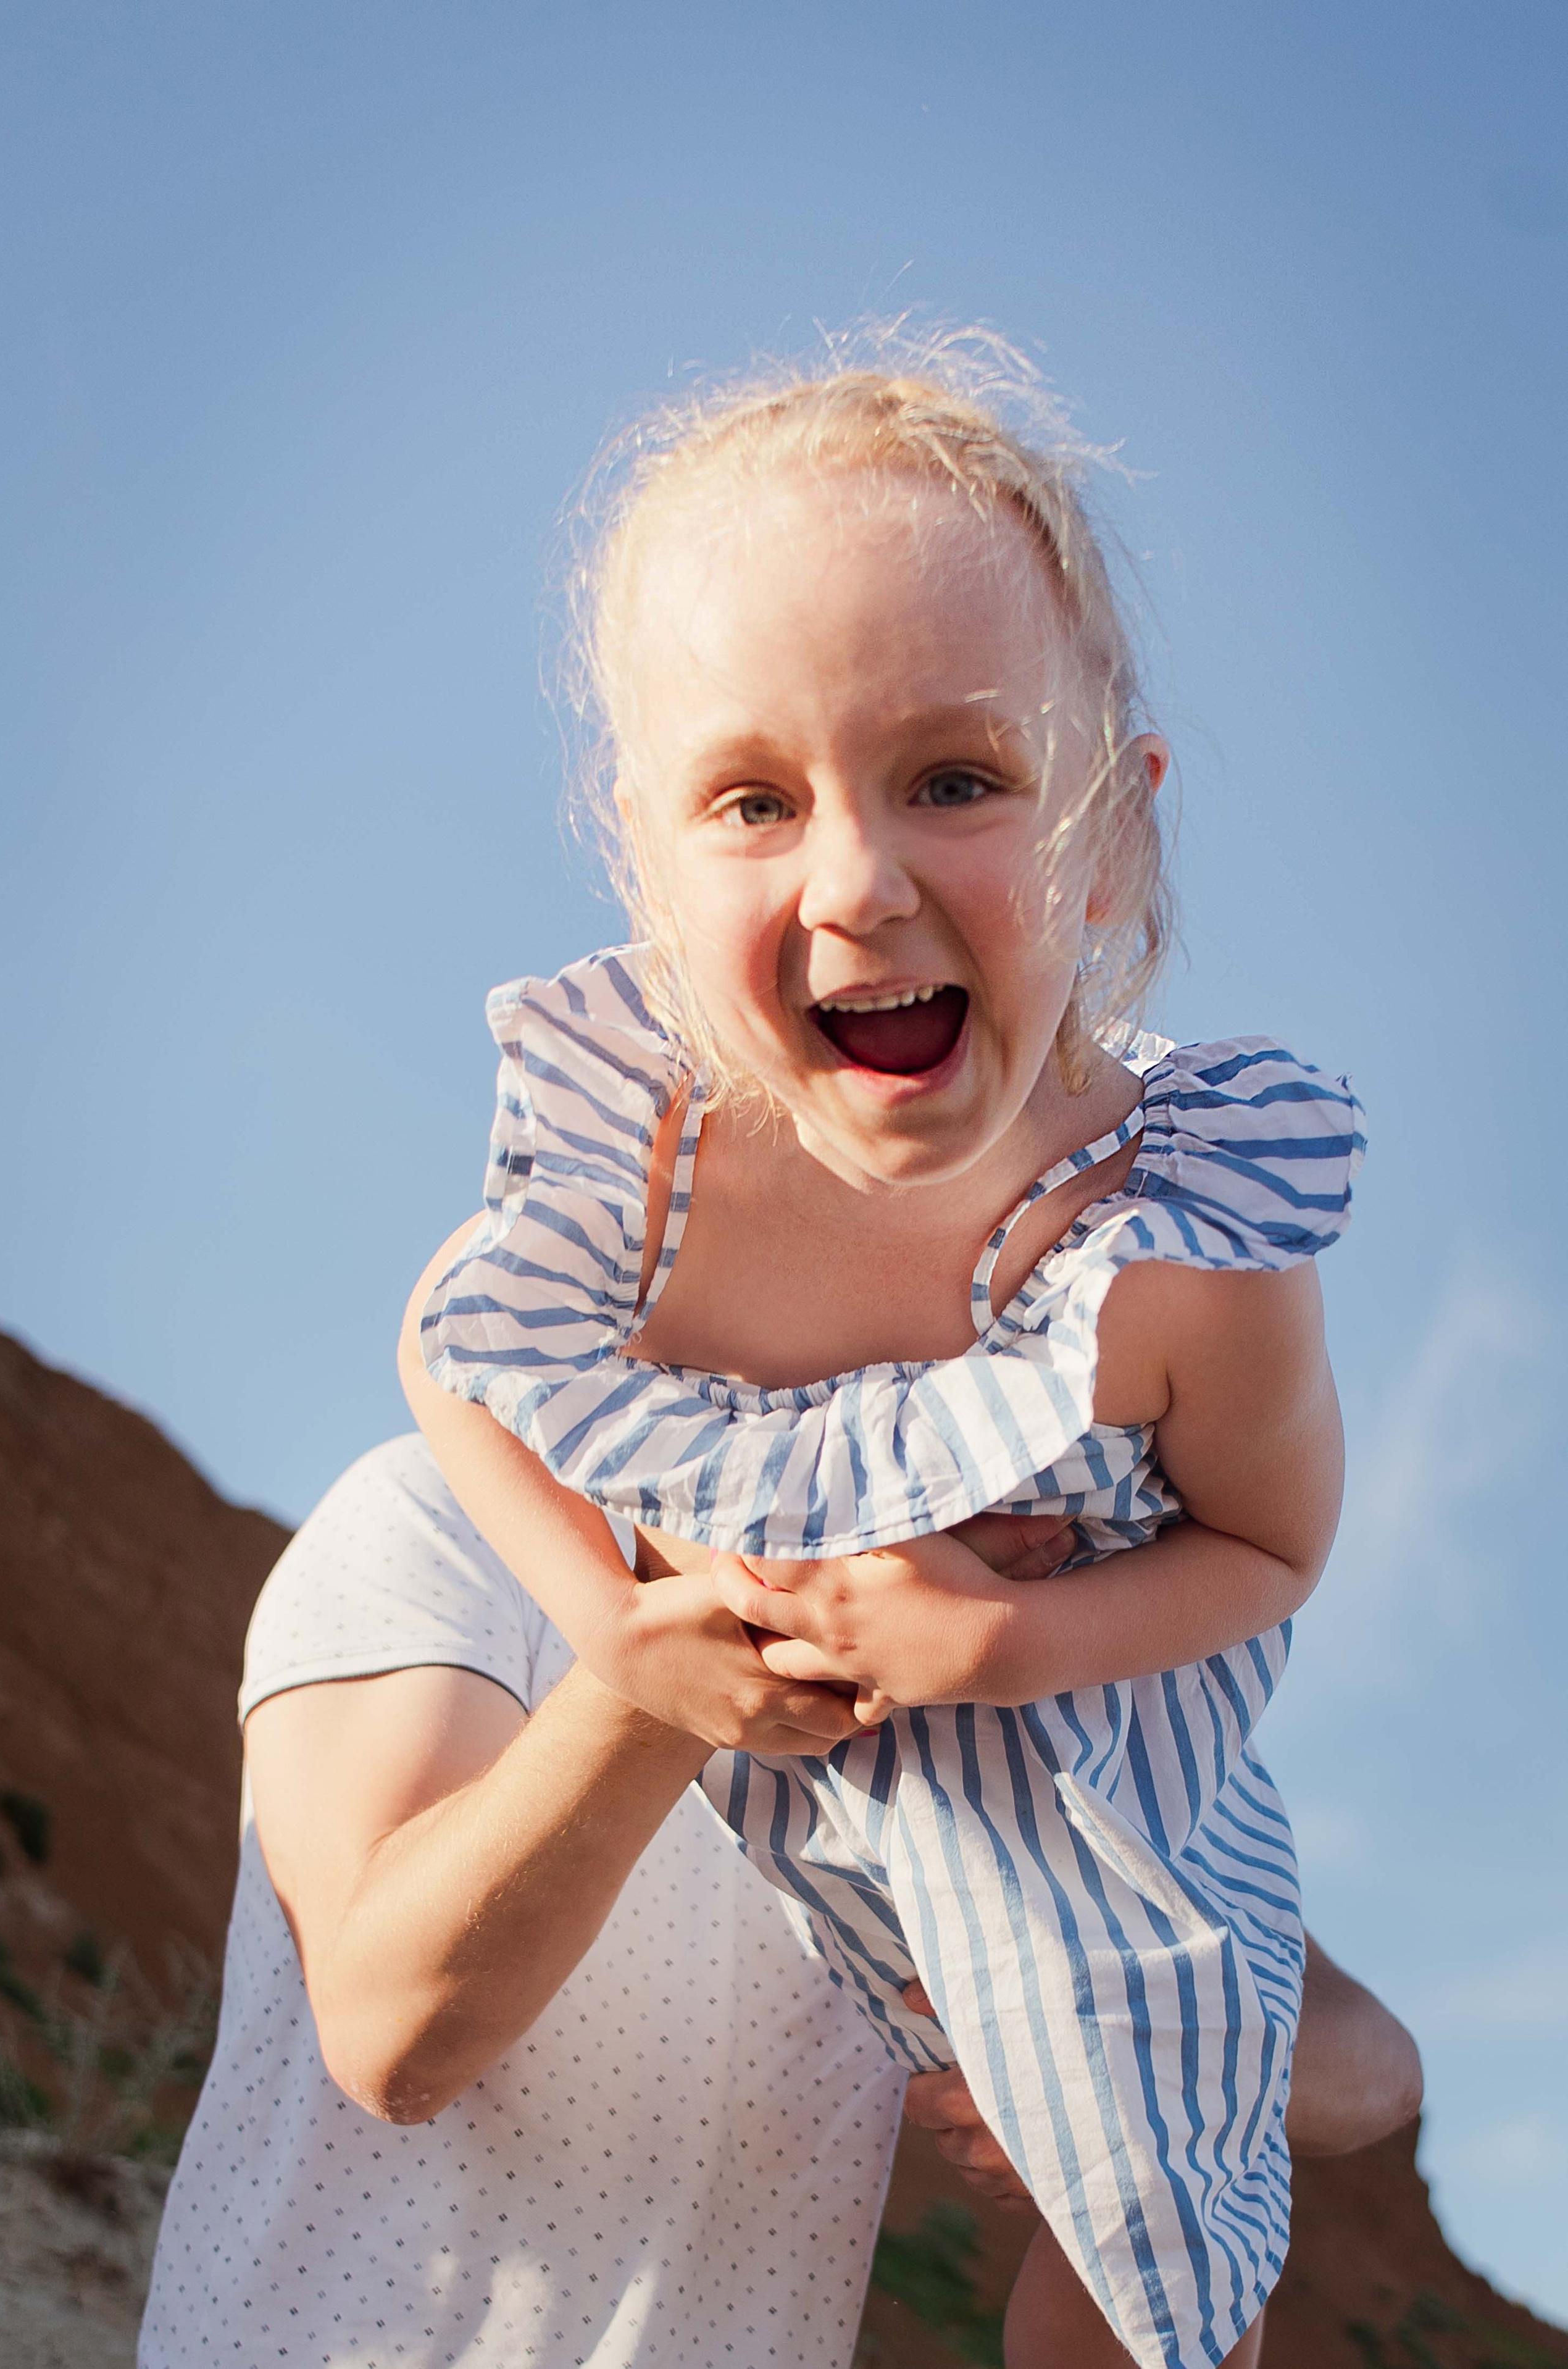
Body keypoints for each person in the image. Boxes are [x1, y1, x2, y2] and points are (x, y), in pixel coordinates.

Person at [400, 330, 1387, 2369]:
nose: (856, 878)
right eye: (753, 798)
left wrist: (1000, 1642)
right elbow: (449, 1349)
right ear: (650, 873)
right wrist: (612, 1621)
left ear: (1110, 832)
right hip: (782, 1849)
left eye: (957, 776)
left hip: (1089, 1828)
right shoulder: (657, 1174)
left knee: (1155, 2229)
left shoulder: (1171, 1246)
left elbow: (1273, 1551)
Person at [138, 1429, 1420, 2369]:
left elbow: (1371, 2058)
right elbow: (387, 2029)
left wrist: (1112, 2063)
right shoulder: (435, 1515)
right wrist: (697, 1655)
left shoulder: (995, 1686)